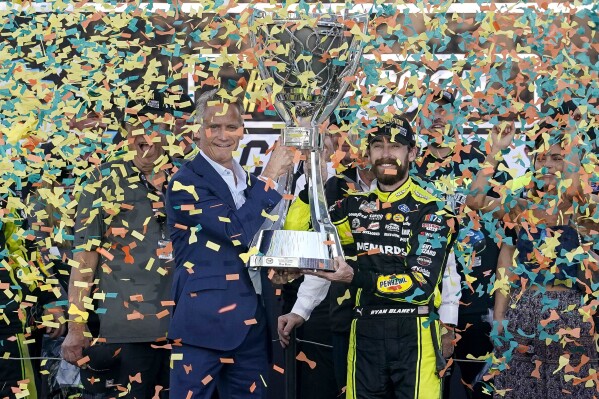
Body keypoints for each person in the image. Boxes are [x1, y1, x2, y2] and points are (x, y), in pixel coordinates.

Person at [289, 115, 458, 399]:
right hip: (364, 329)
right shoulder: (353, 206)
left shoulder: (433, 211)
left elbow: (419, 286)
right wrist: (313, 185)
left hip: (414, 330)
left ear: (412, 153)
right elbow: (303, 238)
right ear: (368, 153)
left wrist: (355, 276)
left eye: (396, 146)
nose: (386, 154)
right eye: (378, 146)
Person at [165, 88, 294, 399]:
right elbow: (236, 230)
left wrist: (283, 265)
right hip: (203, 324)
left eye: (231, 126)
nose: (223, 135)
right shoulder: (185, 181)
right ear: (197, 131)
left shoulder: (247, 181)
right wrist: (271, 175)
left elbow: (258, 238)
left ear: (243, 131)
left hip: (252, 323)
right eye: (214, 126)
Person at [465, 119, 599, 398]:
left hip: (571, 313)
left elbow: (574, 190)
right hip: (523, 310)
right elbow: (475, 199)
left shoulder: (584, 208)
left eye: (557, 158)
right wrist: (495, 150)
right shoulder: (521, 208)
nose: (547, 165)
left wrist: (572, 144)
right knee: (521, 391)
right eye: (541, 158)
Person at [62, 91, 180, 398]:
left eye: (158, 126)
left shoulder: (185, 179)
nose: (148, 135)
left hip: (185, 333)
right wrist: (76, 327)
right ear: (126, 131)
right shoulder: (101, 182)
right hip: (126, 334)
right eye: (138, 125)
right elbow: (84, 260)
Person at [413, 90, 509, 398]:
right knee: (428, 385)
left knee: (479, 388)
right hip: (427, 299)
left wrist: (499, 307)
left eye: (445, 109)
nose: (438, 116)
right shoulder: (409, 167)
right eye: (431, 110)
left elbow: (508, 227)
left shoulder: (484, 161)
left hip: (476, 300)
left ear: (458, 117)